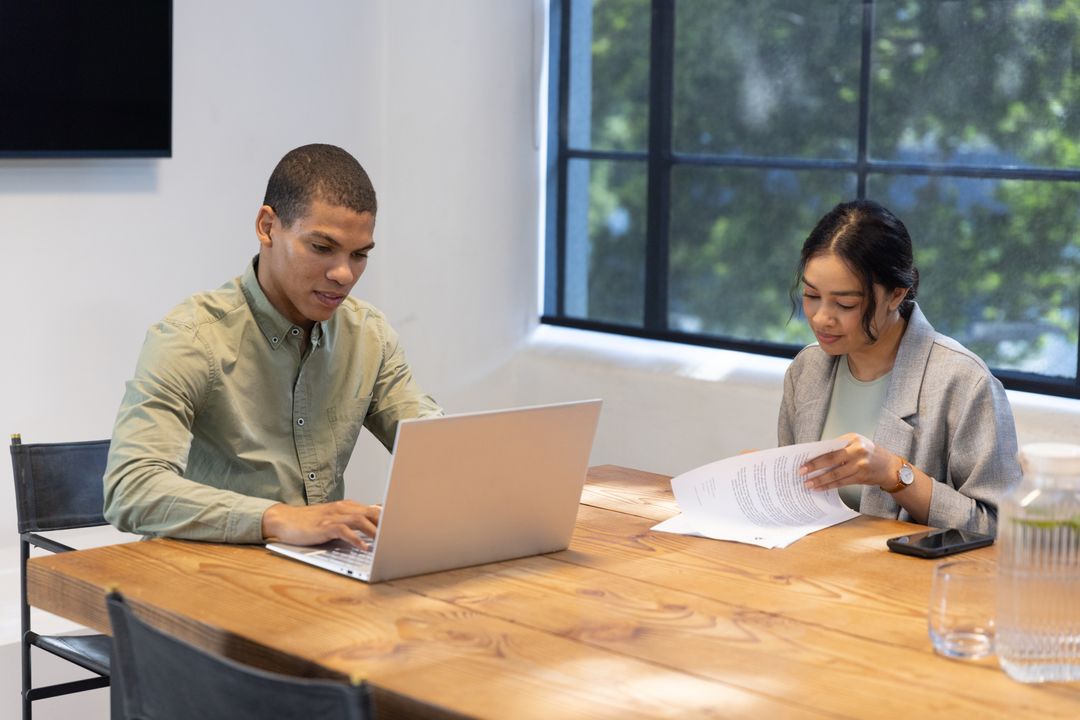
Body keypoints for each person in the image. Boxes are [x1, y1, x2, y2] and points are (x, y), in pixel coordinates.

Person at [104, 144, 441, 548]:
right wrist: (277, 519)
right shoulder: (191, 338)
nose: (343, 274)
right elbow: (131, 488)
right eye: (321, 248)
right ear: (267, 227)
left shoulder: (369, 335)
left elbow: (433, 445)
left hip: (317, 576)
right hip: (204, 576)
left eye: (359, 255)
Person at [778, 199, 1020, 534]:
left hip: (909, 584)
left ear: (896, 295)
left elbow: (1002, 529)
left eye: (845, 303)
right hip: (815, 576)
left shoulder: (964, 381)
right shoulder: (806, 369)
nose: (821, 318)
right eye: (811, 295)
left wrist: (895, 474)